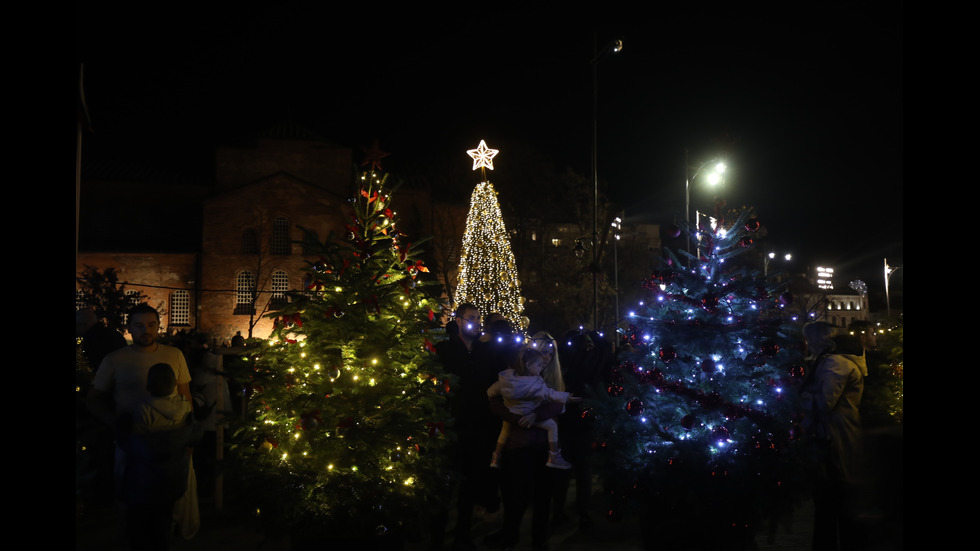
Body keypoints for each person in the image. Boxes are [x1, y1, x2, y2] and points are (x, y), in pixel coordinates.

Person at [88, 303, 195, 547]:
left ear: (159, 326)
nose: (145, 330)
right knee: (131, 511)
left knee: (165, 511)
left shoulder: (174, 355)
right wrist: (116, 425)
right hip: (132, 448)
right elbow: (94, 400)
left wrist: (188, 437)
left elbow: (185, 396)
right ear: (129, 328)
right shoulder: (115, 360)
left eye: (151, 325)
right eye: (139, 325)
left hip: (169, 448)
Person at [801, 320, 877, 551]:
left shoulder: (835, 364)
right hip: (839, 436)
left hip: (834, 439)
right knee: (837, 500)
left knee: (832, 501)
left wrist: (799, 396)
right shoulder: (837, 362)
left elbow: (824, 402)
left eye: (808, 339)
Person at [487, 334, 567, 551]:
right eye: (543, 352)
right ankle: (510, 533)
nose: (547, 357)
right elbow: (495, 399)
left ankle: (539, 539)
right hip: (520, 442)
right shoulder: (516, 376)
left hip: (542, 443)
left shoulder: (552, 377)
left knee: (543, 496)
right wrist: (514, 418)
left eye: (550, 353)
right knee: (516, 494)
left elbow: (557, 404)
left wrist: (535, 415)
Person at [433, 303, 500, 551]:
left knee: (471, 483)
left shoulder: (485, 352)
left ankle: (462, 533)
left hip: (479, 427)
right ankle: (437, 537)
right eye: (472, 318)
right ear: (459, 321)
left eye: (479, 318)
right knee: (446, 484)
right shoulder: (446, 350)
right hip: (453, 425)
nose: (477, 322)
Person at [118, 363, 202, 551]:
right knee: (165, 517)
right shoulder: (184, 404)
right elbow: (191, 433)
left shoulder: (143, 408)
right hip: (174, 475)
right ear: (174, 384)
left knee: (143, 519)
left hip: (147, 476)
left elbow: (138, 442)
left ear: (148, 385)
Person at [488, 347, 577, 470]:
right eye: (540, 364)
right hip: (526, 427)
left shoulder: (507, 380)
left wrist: (512, 415)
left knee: (504, 431)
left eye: (551, 354)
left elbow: (492, 392)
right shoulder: (536, 384)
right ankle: (554, 455)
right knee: (552, 426)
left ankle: (496, 457)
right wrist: (566, 397)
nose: (544, 364)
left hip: (513, 413)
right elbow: (550, 394)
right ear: (529, 365)